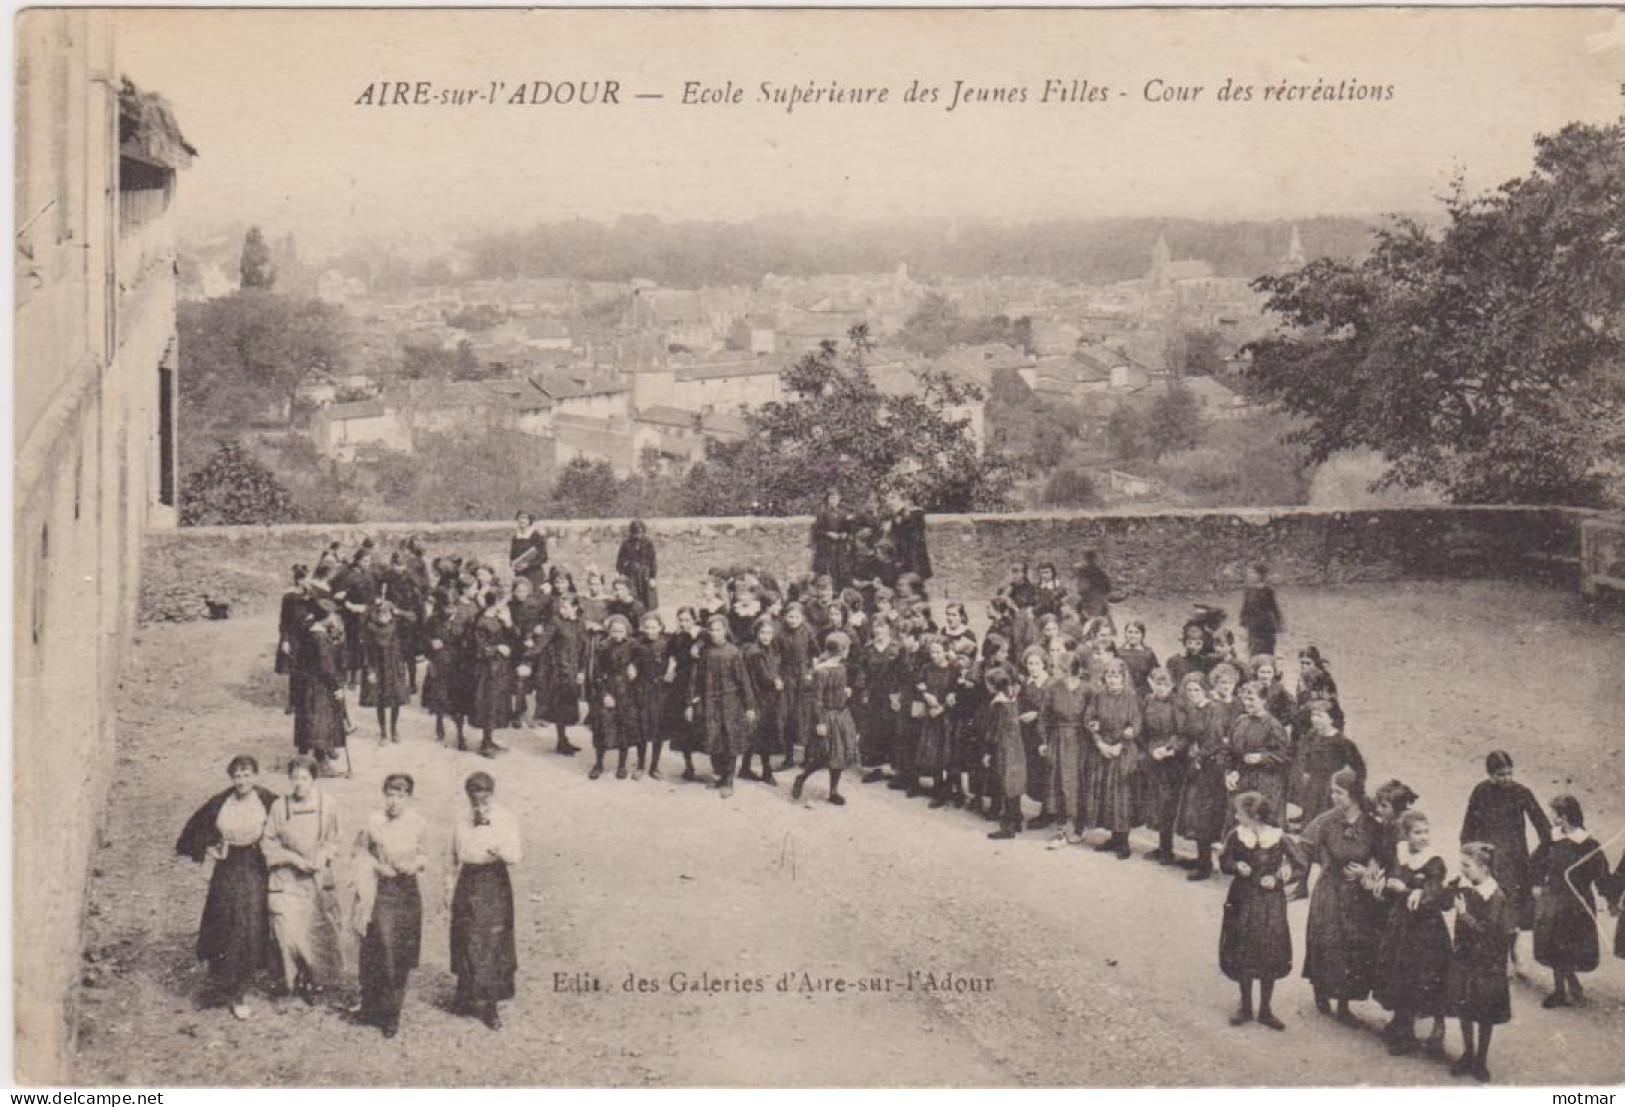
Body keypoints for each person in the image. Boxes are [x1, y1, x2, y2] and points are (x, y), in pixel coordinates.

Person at [175, 756, 278, 1020]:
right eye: (237, 776)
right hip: (227, 866)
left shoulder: (268, 800)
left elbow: (287, 829)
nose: (242, 781)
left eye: (246, 775)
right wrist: (211, 846)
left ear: (255, 776)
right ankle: (219, 981)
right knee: (221, 920)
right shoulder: (221, 801)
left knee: (247, 924)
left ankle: (240, 989)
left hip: (255, 867)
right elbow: (192, 832)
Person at [1295, 767, 1385, 1025]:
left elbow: (1381, 854)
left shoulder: (1370, 824)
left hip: (1357, 895)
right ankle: (1321, 990)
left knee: (1352, 945)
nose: (1334, 797)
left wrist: (1369, 869)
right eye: (1332, 791)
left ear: (1354, 794)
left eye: (1340, 792)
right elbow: (1303, 846)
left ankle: (1344, 1004)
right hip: (1330, 890)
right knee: (1327, 941)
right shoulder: (1325, 821)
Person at [260, 757, 344, 1005]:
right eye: (294, 778)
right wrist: (292, 859)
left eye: (304, 778)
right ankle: (288, 979)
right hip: (286, 876)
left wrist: (322, 856)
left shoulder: (327, 805)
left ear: (314, 780)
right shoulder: (279, 806)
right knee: (286, 929)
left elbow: (335, 839)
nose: (299, 784)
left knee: (316, 930)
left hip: (316, 877)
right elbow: (268, 842)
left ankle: (315, 979)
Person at [1459, 750, 1551, 970]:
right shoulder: (1480, 792)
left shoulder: (1522, 793)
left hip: (1516, 863)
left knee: (1512, 913)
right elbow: (1468, 828)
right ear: (1490, 774)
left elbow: (1544, 828)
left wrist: (1537, 858)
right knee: (1488, 909)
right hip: (1488, 862)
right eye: (1500, 775)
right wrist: (1470, 855)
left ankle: (1511, 954)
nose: (1506, 779)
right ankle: (1494, 956)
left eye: (1509, 773)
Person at [352, 773, 427, 1038]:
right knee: (376, 947)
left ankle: (391, 1014)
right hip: (379, 889)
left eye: (400, 795)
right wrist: (376, 866)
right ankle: (370, 1007)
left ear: (409, 797)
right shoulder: (373, 821)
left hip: (406, 891)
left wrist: (414, 864)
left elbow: (424, 854)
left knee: (398, 952)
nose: (394, 801)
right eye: (390, 795)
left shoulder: (417, 822)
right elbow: (359, 851)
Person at [1373, 809, 1453, 1057]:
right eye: (1418, 833)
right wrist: (1384, 885)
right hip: (1399, 925)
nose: (1423, 837)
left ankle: (1406, 1035)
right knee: (1397, 971)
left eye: (1426, 832)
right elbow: (1390, 879)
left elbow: (1433, 893)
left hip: (1424, 931)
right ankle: (1400, 1022)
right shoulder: (1400, 852)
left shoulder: (1434, 862)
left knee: (1414, 974)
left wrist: (1408, 890)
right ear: (1406, 835)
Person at [449, 772, 521, 1030]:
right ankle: (465, 995)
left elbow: (515, 855)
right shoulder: (461, 819)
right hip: (468, 880)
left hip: (493, 880)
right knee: (465, 936)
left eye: (483, 799)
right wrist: (448, 889)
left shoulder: (505, 818)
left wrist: (497, 848)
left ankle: (489, 1006)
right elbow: (454, 856)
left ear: (492, 795)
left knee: (489, 941)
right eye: (473, 799)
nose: (479, 806)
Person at [1218, 792, 1292, 1031]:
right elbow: (1224, 861)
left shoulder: (1278, 838)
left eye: (1239, 813)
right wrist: (1235, 865)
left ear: (1253, 816)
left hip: (1270, 903)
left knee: (1269, 951)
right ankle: (1246, 1006)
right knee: (1243, 949)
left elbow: (1298, 865)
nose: (1236, 816)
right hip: (1242, 899)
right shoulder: (1236, 835)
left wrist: (1278, 877)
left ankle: (1266, 1009)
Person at [1529, 794, 1610, 1009]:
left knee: (1566, 946)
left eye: (1553, 814)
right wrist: (1536, 884)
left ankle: (1565, 986)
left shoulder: (1588, 844)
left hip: (1576, 904)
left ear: (1563, 817)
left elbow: (1601, 875)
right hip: (1553, 900)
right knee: (1554, 945)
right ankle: (1562, 989)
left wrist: (1610, 895)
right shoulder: (1552, 838)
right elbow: (1536, 861)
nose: (1550, 817)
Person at [1448, 842, 1513, 1083]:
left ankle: (1481, 1059)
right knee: (1465, 1007)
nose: (1462, 869)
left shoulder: (1495, 895)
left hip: (1487, 963)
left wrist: (1464, 915)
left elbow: (1488, 931)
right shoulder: (1467, 887)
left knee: (1484, 1012)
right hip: (1466, 958)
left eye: (1467, 865)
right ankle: (1468, 1052)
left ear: (1484, 867)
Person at [690, 614, 757, 798]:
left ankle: (729, 779)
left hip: (730, 702)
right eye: (712, 630)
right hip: (710, 701)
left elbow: (743, 681)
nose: (715, 633)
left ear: (725, 631)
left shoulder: (733, 652)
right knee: (713, 737)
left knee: (730, 739)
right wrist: (694, 699)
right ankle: (719, 775)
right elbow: (698, 679)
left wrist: (749, 705)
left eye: (718, 629)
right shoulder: (705, 653)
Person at [792, 630, 861, 805]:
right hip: (827, 716)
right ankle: (802, 776)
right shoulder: (821, 672)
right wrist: (821, 722)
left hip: (841, 713)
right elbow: (817, 699)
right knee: (824, 755)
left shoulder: (842, 668)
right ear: (843, 650)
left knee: (839, 755)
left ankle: (833, 791)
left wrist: (846, 691)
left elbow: (838, 688)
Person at [1083, 657, 1141, 858]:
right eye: (1109, 675)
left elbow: (1136, 724)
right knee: (1106, 796)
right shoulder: (1099, 696)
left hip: (1122, 753)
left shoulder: (1130, 697)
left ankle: (1123, 840)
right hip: (1103, 750)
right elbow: (1090, 718)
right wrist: (1098, 741)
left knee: (1121, 797)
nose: (1113, 680)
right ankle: (1113, 837)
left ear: (1124, 678)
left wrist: (1121, 745)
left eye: (1117, 676)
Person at [1176, 671, 1229, 881]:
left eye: (1197, 689)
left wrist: (1200, 755)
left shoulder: (1214, 710)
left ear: (1206, 690)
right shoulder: (1192, 709)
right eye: (1189, 690)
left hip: (1209, 769)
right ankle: (1199, 857)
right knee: (1193, 813)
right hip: (1194, 766)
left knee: (1203, 814)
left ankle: (1205, 864)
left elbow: (1215, 740)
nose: (1192, 694)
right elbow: (1187, 735)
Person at [1288, 698, 1365, 830]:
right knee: (1311, 815)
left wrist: (1353, 788)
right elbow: (1306, 754)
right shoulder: (1312, 736)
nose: (1315, 719)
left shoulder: (1341, 742)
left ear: (1331, 719)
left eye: (1320, 716)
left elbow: (1358, 767)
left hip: (1330, 787)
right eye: (1313, 715)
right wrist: (1306, 771)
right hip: (1313, 785)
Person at [1040, 651, 1090, 847]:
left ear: (1071, 670)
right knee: (1058, 781)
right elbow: (1044, 716)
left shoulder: (1087, 689)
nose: (1056, 672)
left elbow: (1095, 714)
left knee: (1078, 782)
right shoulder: (1053, 689)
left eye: (1060, 669)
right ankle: (1061, 827)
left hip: (1081, 741)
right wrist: (1044, 741)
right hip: (1059, 740)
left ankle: (1079, 827)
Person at [1138, 667, 1184, 865]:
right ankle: (1161, 846)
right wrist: (1149, 750)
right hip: (1152, 756)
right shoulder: (1148, 700)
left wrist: (1167, 749)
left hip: (1171, 760)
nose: (1162, 688)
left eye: (1166, 684)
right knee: (1156, 802)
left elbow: (1182, 732)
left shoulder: (1178, 703)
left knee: (1168, 804)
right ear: (1152, 683)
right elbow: (1142, 729)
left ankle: (1168, 850)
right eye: (1158, 684)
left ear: (1172, 685)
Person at [1226, 681, 1292, 822]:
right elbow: (1230, 751)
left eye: (1251, 699)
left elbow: (1284, 756)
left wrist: (1262, 757)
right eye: (1245, 699)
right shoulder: (1240, 721)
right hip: (1242, 780)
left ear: (1263, 700)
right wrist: (1230, 772)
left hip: (1265, 783)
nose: (1247, 703)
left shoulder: (1273, 725)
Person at [298, 601, 350, 775]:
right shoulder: (320, 638)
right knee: (321, 722)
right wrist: (336, 687)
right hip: (320, 686)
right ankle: (322, 763)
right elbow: (327, 667)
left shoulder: (309, 631)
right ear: (326, 617)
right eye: (332, 615)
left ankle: (304, 759)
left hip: (307, 684)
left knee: (310, 721)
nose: (335, 619)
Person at [588, 614, 638, 780]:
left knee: (623, 726)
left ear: (627, 631)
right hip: (607, 688)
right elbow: (596, 673)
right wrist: (604, 694)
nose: (617, 634)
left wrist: (634, 668)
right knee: (602, 727)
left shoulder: (632, 646)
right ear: (609, 631)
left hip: (626, 690)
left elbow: (641, 662)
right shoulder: (603, 647)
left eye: (621, 631)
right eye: (614, 631)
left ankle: (622, 765)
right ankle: (598, 763)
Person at [537, 594, 588, 757]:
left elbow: (583, 649)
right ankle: (561, 741)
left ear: (574, 608)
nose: (561, 610)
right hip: (558, 670)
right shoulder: (555, 622)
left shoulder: (580, 623)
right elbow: (542, 643)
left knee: (568, 706)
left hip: (573, 670)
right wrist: (526, 659)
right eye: (560, 606)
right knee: (560, 706)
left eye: (565, 607)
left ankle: (564, 740)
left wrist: (581, 670)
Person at [855, 616, 902, 784]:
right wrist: (863, 691)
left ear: (889, 628)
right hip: (874, 694)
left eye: (882, 626)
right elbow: (862, 670)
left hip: (892, 695)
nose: (878, 630)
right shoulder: (868, 648)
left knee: (892, 729)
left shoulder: (897, 648)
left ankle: (894, 769)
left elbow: (903, 672)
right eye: (875, 626)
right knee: (873, 730)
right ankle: (876, 768)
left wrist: (899, 695)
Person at [469, 589, 515, 759]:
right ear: (496, 602)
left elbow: (513, 638)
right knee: (488, 703)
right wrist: (498, 648)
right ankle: (485, 743)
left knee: (496, 704)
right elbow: (479, 649)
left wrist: (508, 622)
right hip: (487, 670)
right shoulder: (482, 622)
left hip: (499, 669)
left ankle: (489, 739)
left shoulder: (499, 619)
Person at [360, 600, 412, 746]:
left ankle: (394, 730)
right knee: (380, 701)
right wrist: (369, 670)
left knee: (396, 700)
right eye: (380, 613)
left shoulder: (397, 627)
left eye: (387, 613)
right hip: (378, 668)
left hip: (394, 667)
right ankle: (383, 732)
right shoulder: (370, 629)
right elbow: (366, 653)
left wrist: (399, 612)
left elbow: (413, 618)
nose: (384, 617)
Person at [741, 617, 785, 786]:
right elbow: (764, 678)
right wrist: (776, 682)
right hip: (762, 697)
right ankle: (766, 771)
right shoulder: (756, 652)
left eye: (769, 633)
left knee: (756, 734)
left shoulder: (765, 649)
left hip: (763, 697)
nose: (766, 636)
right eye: (763, 633)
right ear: (757, 633)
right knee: (764, 734)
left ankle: (746, 767)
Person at [662, 607, 705, 781]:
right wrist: (671, 668)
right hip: (682, 682)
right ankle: (689, 765)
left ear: (694, 620)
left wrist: (697, 644)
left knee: (701, 722)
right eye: (681, 619)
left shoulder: (701, 634)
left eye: (687, 619)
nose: (684, 623)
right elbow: (671, 654)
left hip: (699, 681)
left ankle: (717, 766)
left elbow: (706, 640)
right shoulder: (677, 636)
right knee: (683, 726)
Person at [985, 669, 1026, 840]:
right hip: (1017, 747)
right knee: (1015, 782)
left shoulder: (998, 705)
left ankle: (1008, 825)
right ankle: (1016, 818)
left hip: (1003, 747)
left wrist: (987, 752)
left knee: (1005, 782)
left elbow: (993, 731)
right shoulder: (1014, 701)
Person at [628, 613, 668, 779]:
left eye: (654, 627)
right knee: (642, 728)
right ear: (642, 628)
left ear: (660, 628)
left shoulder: (666, 644)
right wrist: (631, 666)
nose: (650, 631)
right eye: (647, 627)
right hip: (642, 689)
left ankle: (654, 766)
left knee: (657, 728)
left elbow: (675, 658)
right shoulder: (638, 645)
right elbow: (630, 660)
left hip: (660, 690)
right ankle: (640, 765)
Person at [276, 565, 312, 715]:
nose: (309, 581)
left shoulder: (312, 594)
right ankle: (293, 703)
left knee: (308, 670)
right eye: (307, 578)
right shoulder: (289, 597)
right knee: (295, 671)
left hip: (309, 636)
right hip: (294, 637)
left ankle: (306, 702)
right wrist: (285, 640)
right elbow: (284, 620)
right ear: (300, 580)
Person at [1240, 564, 1285, 659]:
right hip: (1253, 625)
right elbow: (1245, 607)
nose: (1249, 575)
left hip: (1266, 625)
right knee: (1253, 649)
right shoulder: (1248, 590)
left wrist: (1279, 623)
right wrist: (1244, 622)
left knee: (1267, 649)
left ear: (1260, 575)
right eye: (1249, 573)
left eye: (1252, 573)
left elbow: (1274, 607)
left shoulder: (1268, 590)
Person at [615, 519, 659, 611]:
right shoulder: (626, 544)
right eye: (635, 533)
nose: (638, 536)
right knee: (632, 594)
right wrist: (621, 573)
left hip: (644, 573)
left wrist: (652, 577)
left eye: (640, 533)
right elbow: (620, 560)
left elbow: (652, 560)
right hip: (631, 573)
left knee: (647, 596)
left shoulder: (648, 543)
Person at [811, 489, 851, 589]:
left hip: (839, 548)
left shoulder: (842, 514)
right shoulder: (822, 514)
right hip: (826, 548)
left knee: (838, 570)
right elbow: (817, 531)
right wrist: (828, 534)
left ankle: (837, 590)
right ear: (828, 500)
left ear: (839, 499)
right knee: (825, 571)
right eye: (831, 498)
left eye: (835, 498)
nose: (833, 501)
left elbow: (847, 530)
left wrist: (844, 534)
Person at [1074, 550, 1115, 635]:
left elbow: (1082, 589)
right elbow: (1108, 587)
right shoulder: (1096, 572)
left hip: (1093, 600)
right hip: (1095, 599)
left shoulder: (1085, 572)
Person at [508, 511, 548, 590]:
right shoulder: (515, 537)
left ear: (530, 520)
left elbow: (543, 557)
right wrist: (512, 563)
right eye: (520, 518)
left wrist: (528, 565)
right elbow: (512, 555)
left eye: (525, 518)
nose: (522, 521)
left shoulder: (536, 535)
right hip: (520, 573)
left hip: (534, 573)